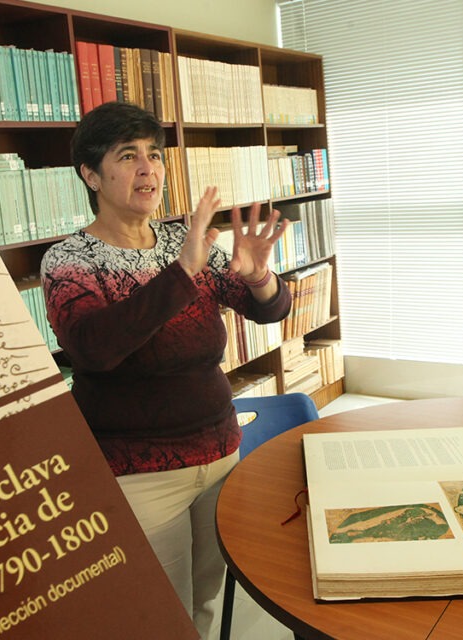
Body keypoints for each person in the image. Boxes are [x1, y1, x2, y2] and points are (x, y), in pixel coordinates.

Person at [41, 101, 291, 636]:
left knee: (205, 600)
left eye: (154, 155)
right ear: (90, 175)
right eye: (127, 156)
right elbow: (94, 349)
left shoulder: (185, 241)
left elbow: (270, 310)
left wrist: (258, 278)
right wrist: (182, 273)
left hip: (219, 453)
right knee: (159, 616)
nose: (147, 168)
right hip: (138, 474)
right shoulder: (70, 261)